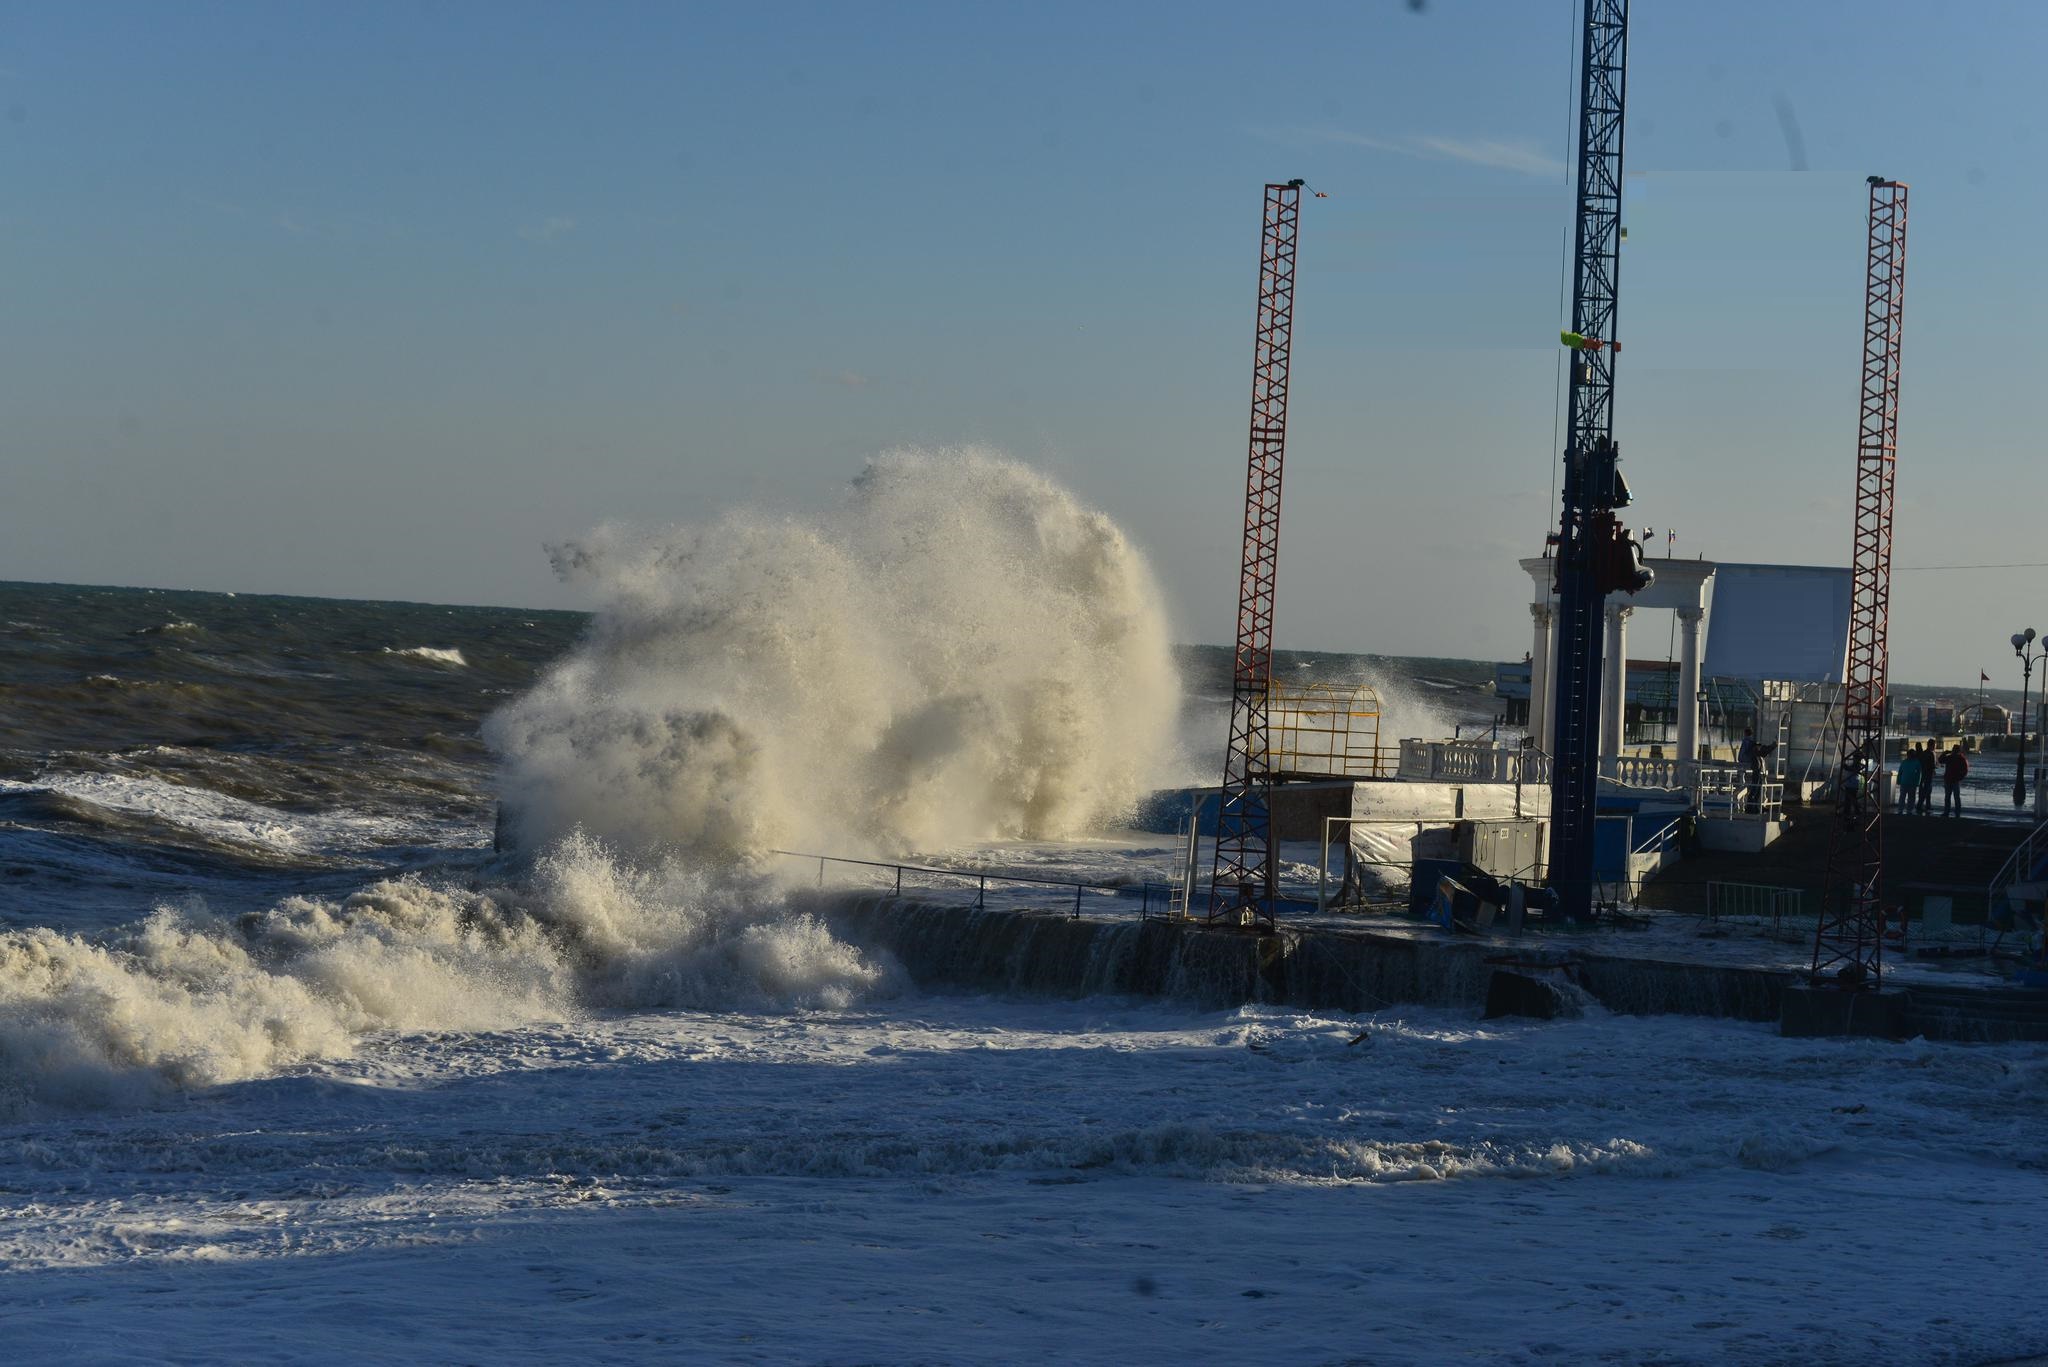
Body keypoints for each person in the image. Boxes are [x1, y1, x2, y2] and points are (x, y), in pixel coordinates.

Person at [1737, 727, 1776, 815]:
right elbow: (1763, 751)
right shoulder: (1751, 744)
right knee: (1756, 788)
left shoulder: (1748, 743)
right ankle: (1753, 807)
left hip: (1756, 768)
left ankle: (1754, 806)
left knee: (1756, 788)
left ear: (1745, 733)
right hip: (1756, 769)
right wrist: (1773, 746)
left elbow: (1741, 757)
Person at [1942, 745, 1970, 816]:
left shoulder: (1953, 758)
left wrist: (1945, 753)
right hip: (1952, 780)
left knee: (1950, 797)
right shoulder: (1961, 758)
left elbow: (1940, 760)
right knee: (1954, 797)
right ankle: (1956, 812)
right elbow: (1965, 770)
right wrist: (1960, 777)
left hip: (1951, 780)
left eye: (1954, 750)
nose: (1953, 751)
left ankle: (1948, 811)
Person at [1896, 747, 1922, 813]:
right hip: (1912, 783)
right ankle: (1909, 810)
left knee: (1902, 797)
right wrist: (1918, 782)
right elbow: (1919, 773)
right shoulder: (1917, 762)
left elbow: (1900, 772)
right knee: (1911, 797)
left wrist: (1898, 780)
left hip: (1904, 781)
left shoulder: (1904, 762)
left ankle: (1900, 809)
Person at [1916, 741, 1936, 815]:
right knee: (1927, 790)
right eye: (1934, 745)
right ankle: (1921, 805)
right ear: (1932, 745)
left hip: (1923, 774)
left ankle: (1926, 805)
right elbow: (1932, 764)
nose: (1935, 747)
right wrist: (1934, 770)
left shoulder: (1923, 753)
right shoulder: (1931, 753)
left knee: (1924, 790)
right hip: (1929, 774)